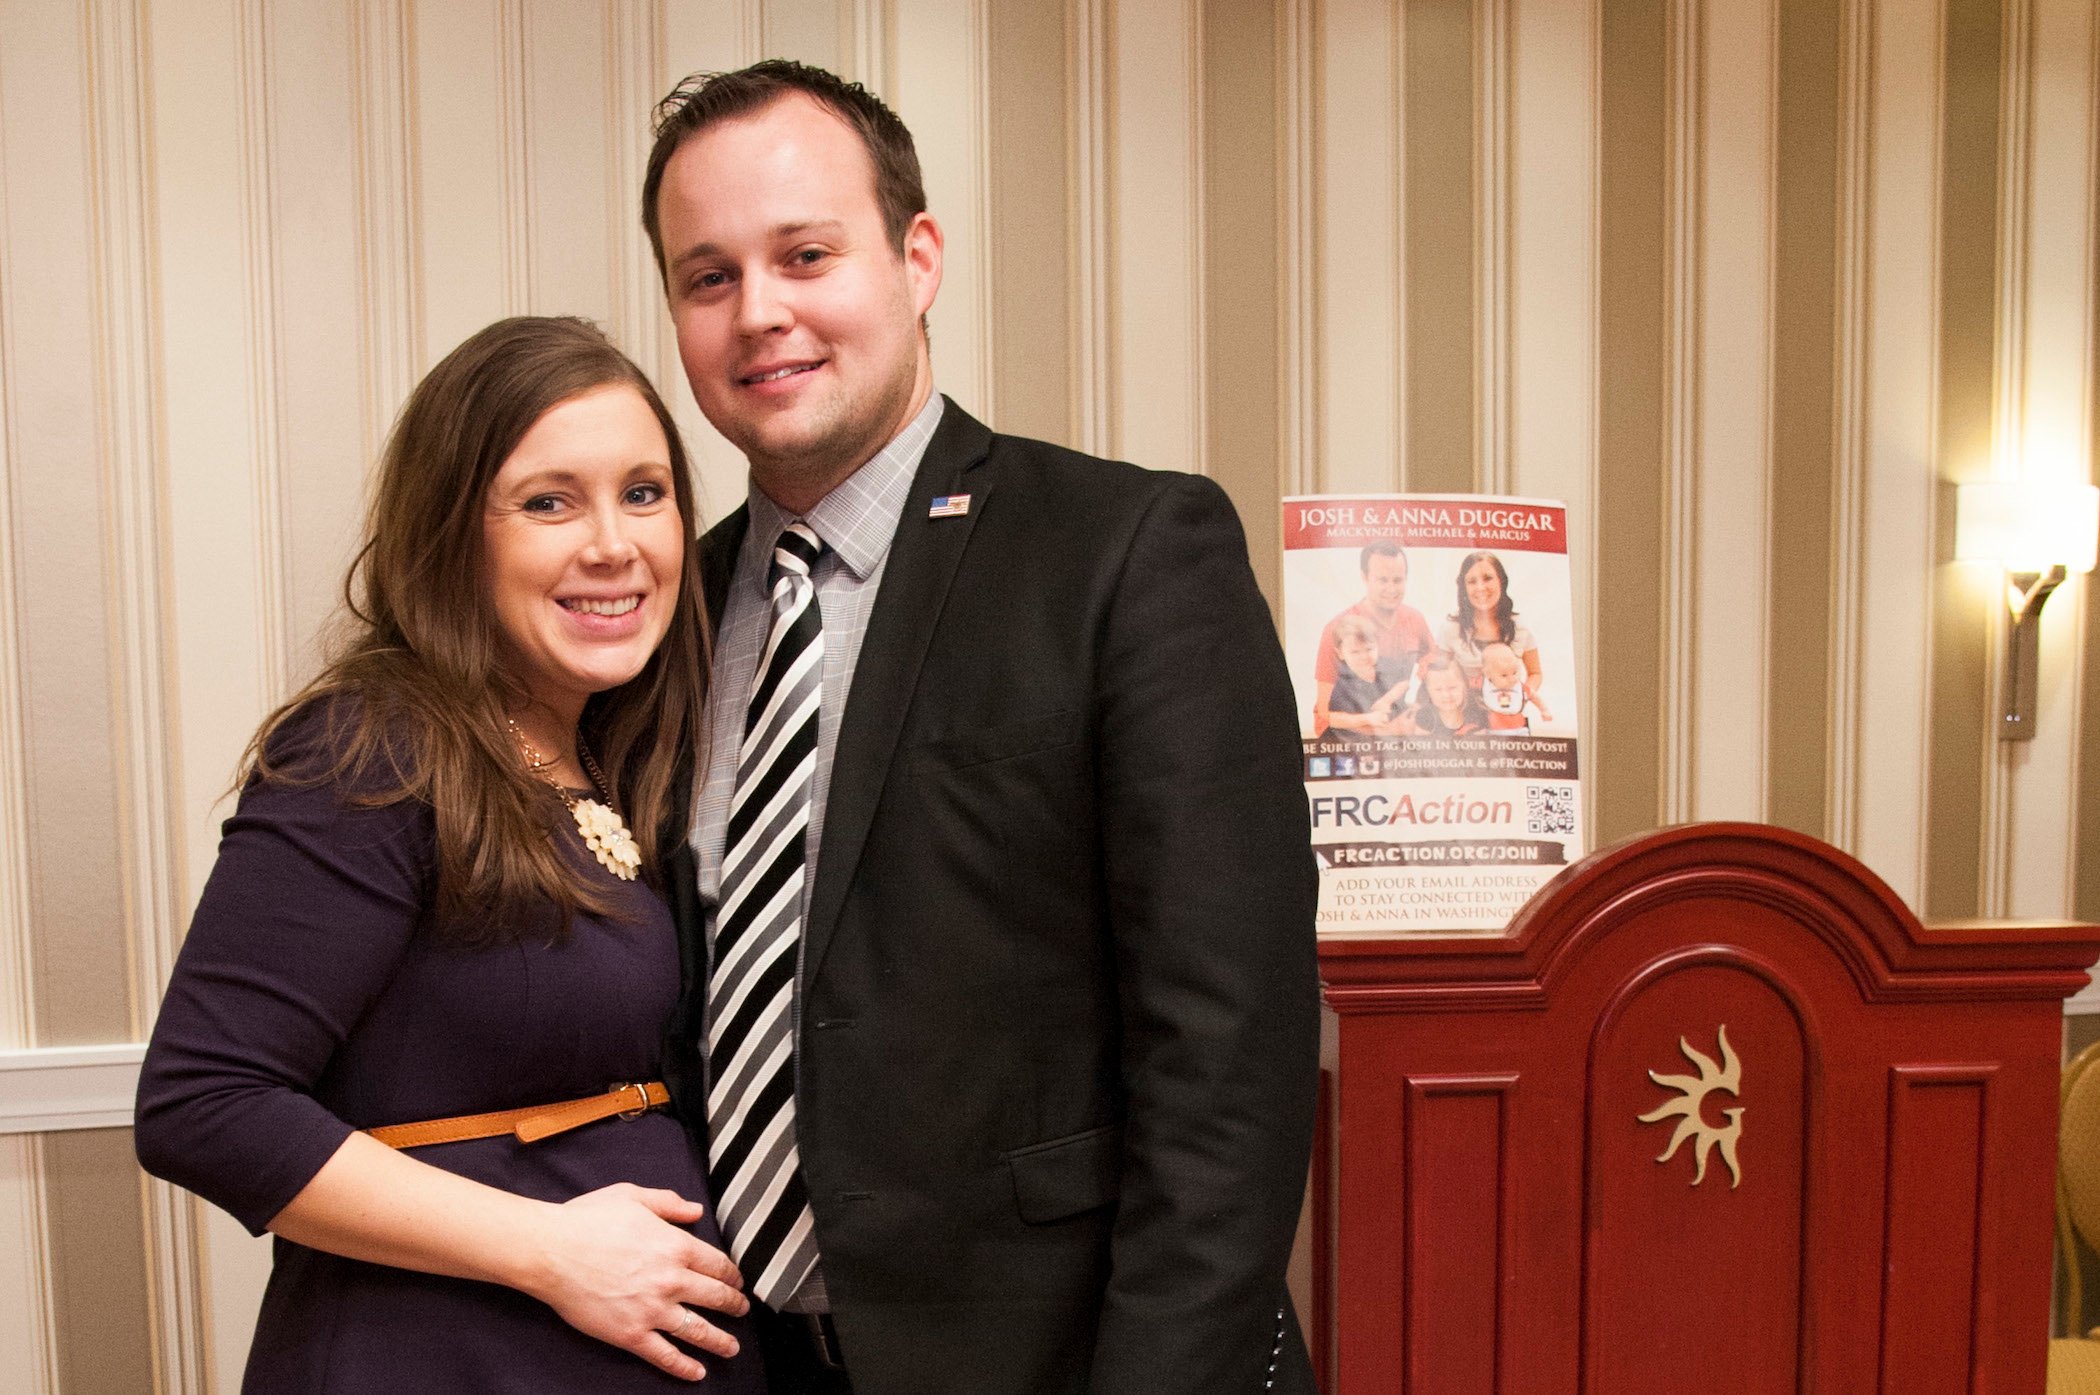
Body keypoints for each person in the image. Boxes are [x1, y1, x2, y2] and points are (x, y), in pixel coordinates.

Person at [641, 60, 1320, 1394]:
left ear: (918, 256)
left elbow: (1228, 1056)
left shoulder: (1126, 553)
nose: (759, 313)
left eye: (807, 253)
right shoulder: (671, 608)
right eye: (708, 276)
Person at [134, 317, 765, 1392]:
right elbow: (204, 1101)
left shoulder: (613, 759)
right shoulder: (374, 746)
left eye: (645, 493)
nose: (614, 543)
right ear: (453, 535)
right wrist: (551, 1248)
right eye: (549, 501)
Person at [1309, 539, 1433, 735]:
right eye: (1382, 580)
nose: (1391, 589)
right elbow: (1322, 718)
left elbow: (1435, 669)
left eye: (1398, 580)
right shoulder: (1336, 629)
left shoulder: (1415, 620)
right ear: (1365, 578)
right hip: (1356, 741)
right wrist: (1383, 729)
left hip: (1401, 738)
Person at [1438, 550, 1543, 695]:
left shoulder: (1520, 627)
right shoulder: (1451, 629)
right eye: (1472, 582)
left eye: (1488, 578)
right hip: (1465, 713)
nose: (1480, 588)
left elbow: (1535, 673)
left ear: (1501, 581)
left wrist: (1521, 697)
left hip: (1506, 712)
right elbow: (1438, 674)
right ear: (1464, 588)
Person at [1324, 613, 1415, 736]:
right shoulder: (1339, 682)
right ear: (1340, 653)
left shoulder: (1386, 664)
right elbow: (1333, 719)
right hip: (1355, 737)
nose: (1364, 657)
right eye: (1355, 652)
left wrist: (1386, 700)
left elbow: (1405, 682)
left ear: (1377, 645)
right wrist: (1368, 718)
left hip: (1392, 732)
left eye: (1369, 649)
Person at [1478, 639, 1552, 734]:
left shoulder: (1520, 688)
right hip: (1493, 730)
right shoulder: (1483, 685)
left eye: (1515, 672)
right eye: (1504, 675)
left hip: (1519, 729)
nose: (1512, 679)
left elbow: (1534, 696)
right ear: (1487, 674)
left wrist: (1544, 710)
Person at [1408, 653, 1489, 739]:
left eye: (1452, 688)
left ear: (1464, 686)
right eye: (1438, 689)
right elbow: (1423, 750)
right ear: (1428, 692)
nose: (1446, 695)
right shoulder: (1425, 719)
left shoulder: (1477, 715)